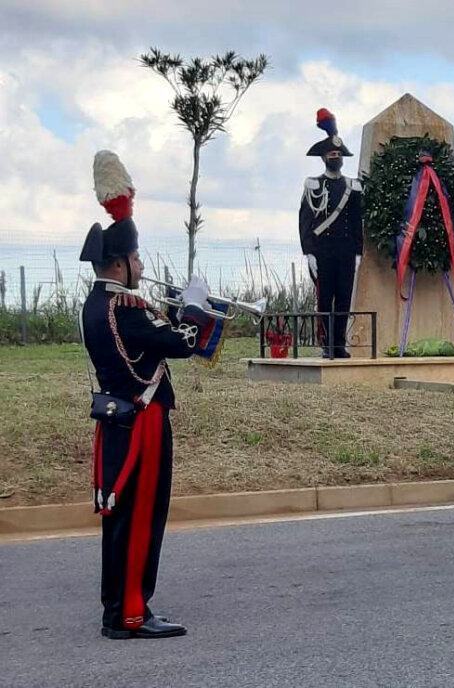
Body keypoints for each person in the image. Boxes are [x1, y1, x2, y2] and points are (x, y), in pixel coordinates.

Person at [80, 151, 210, 639]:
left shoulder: (96, 304)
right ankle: (131, 614)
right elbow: (184, 344)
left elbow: (151, 338)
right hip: (143, 424)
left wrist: (169, 310)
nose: (140, 265)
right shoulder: (126, 307)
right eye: (135, 258)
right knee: (141, 518)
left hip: (116, 425)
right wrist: (195, 308)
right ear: (118, 262)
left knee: (120, 519)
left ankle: (118, 607)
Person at [299, 108, 363, 358]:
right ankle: (326, 344)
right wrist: (309, 253)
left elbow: (357, 220)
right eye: (331, 154)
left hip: (346, 250)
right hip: (322, 250)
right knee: (325, 300)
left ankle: (340, 344)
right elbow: (305, 221)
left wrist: (358, 250)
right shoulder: (314, 184)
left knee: (344, 299)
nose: (335, 157)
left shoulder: (352, 186)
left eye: (338, 154)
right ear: (324, 158)